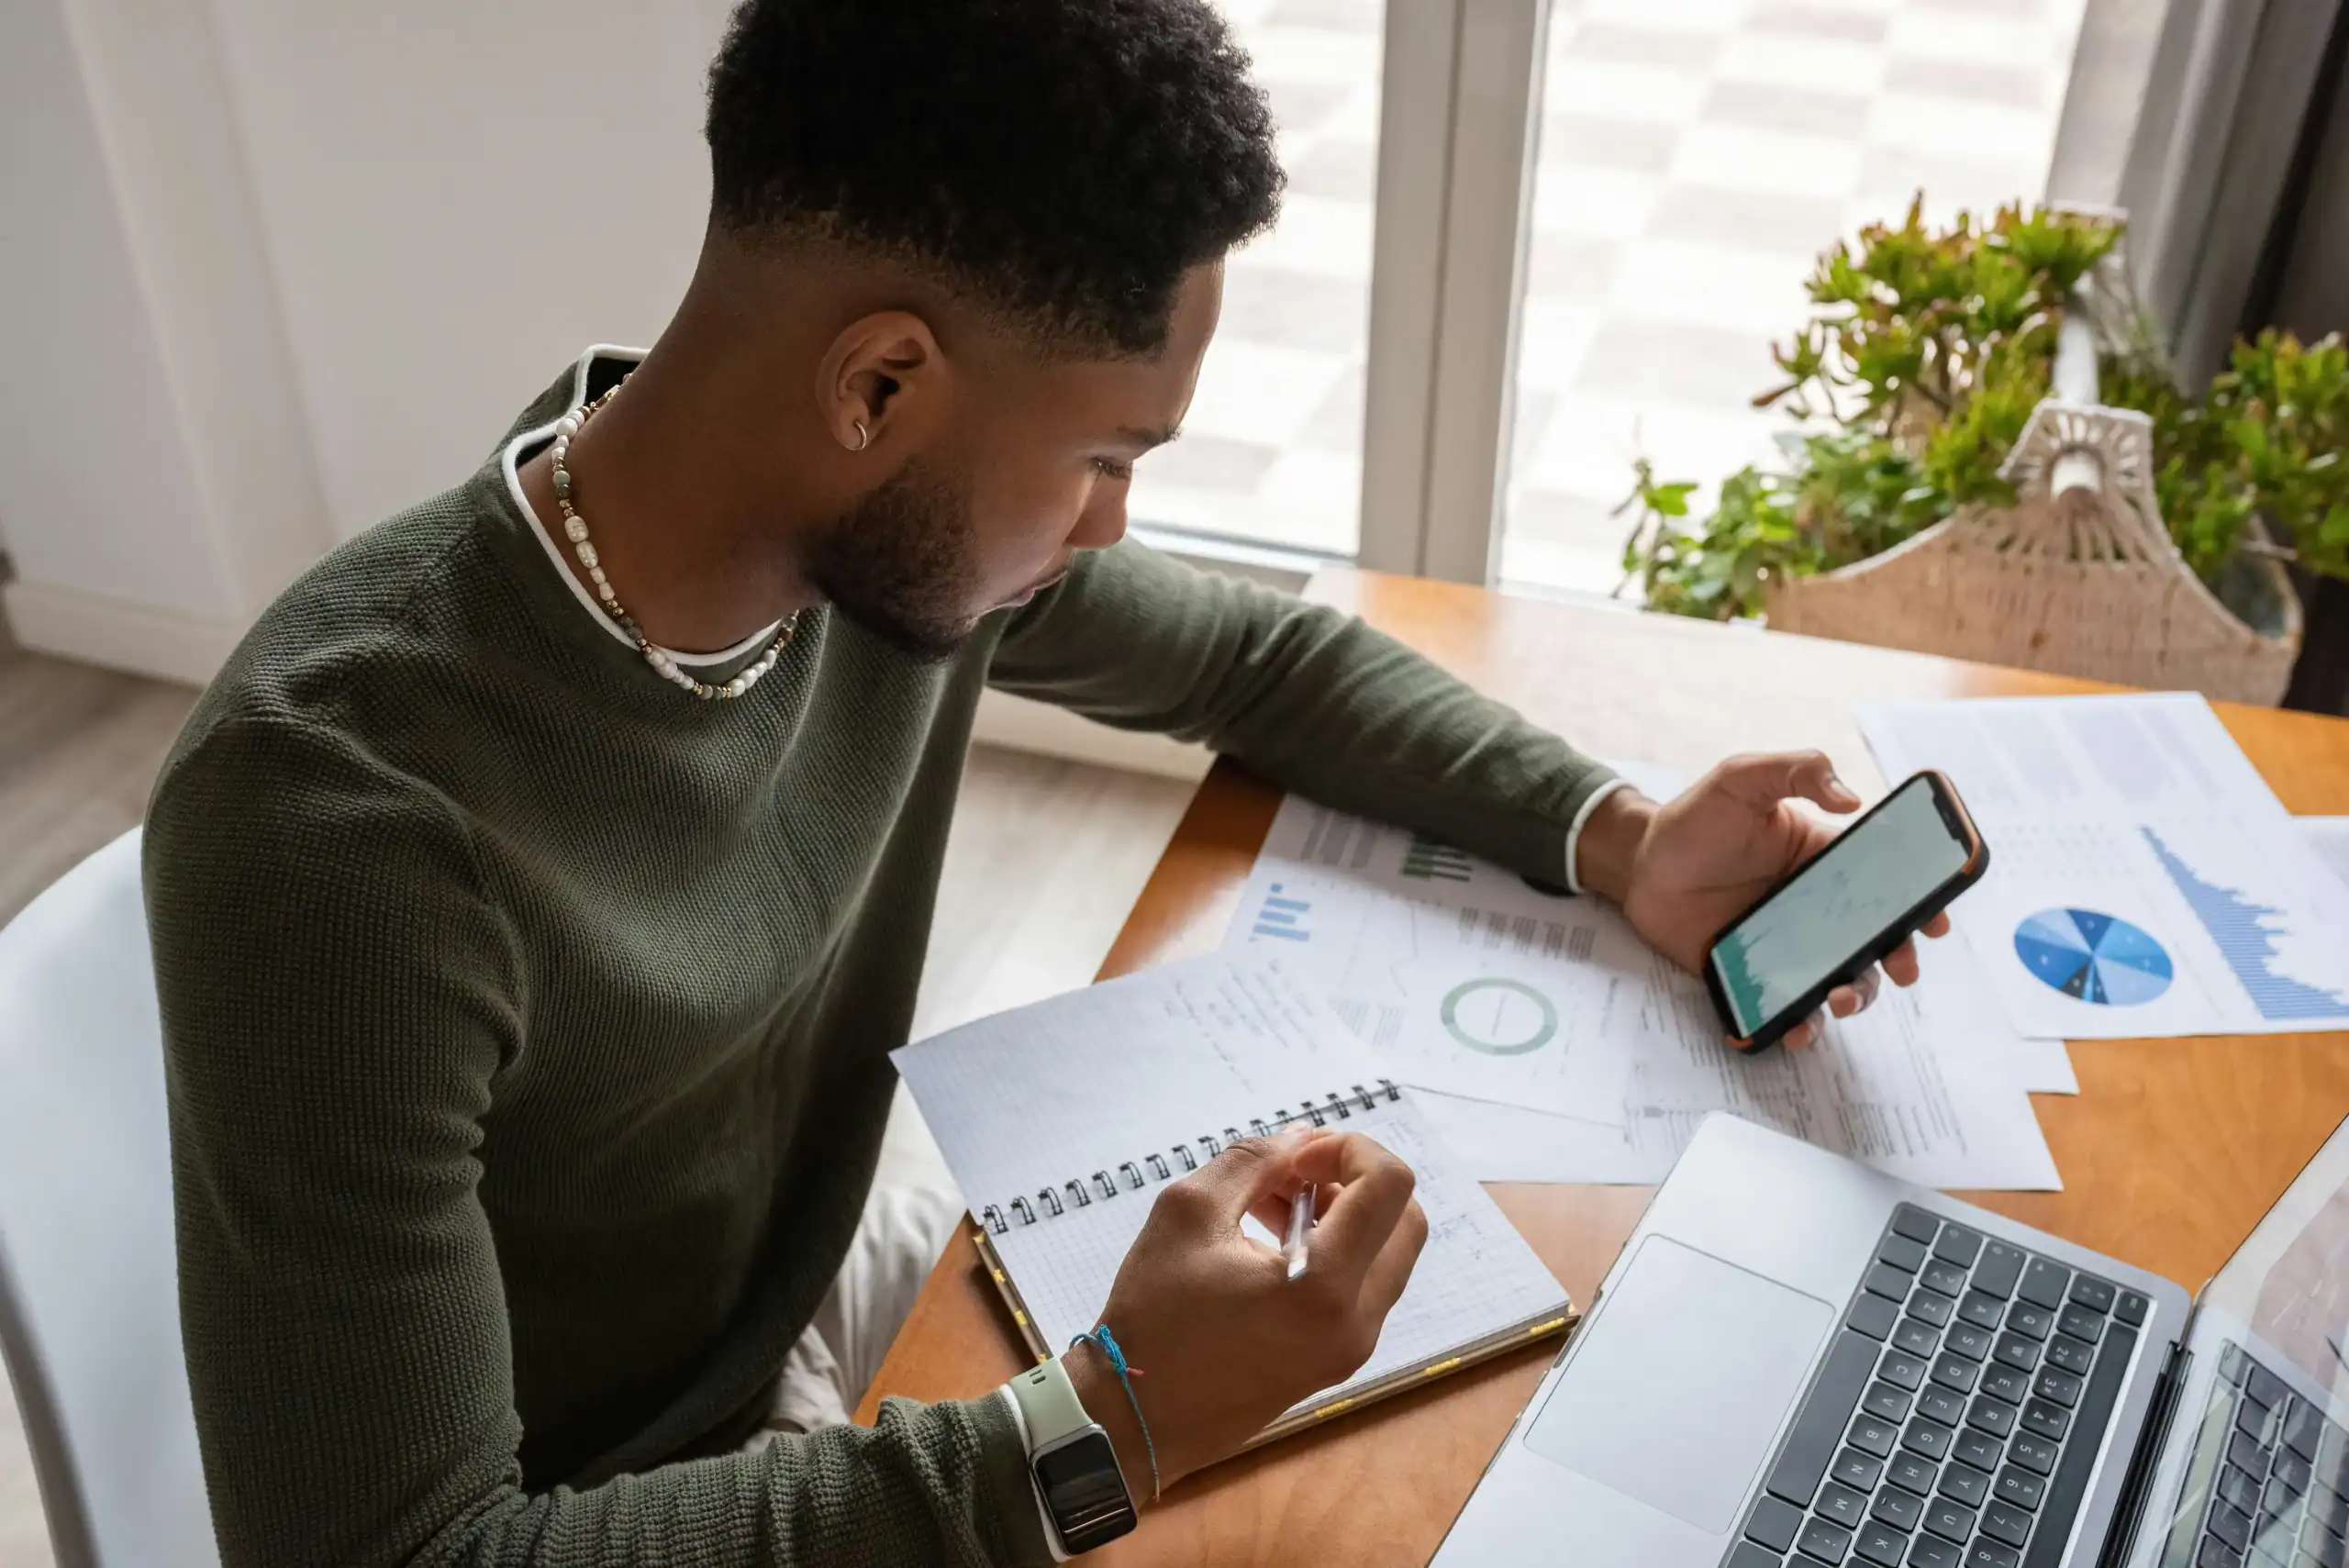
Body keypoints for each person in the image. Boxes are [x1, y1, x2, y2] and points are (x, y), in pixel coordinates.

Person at [141, 1, 1944, 1563]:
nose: (1111, 523)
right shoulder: (341, 829)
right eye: (1100, 455)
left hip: (814, 1299)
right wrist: (1099, 1421)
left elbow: (1260, 658)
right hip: (618, 1498)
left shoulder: (847, 538)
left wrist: (1618, 835)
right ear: (877, 386)